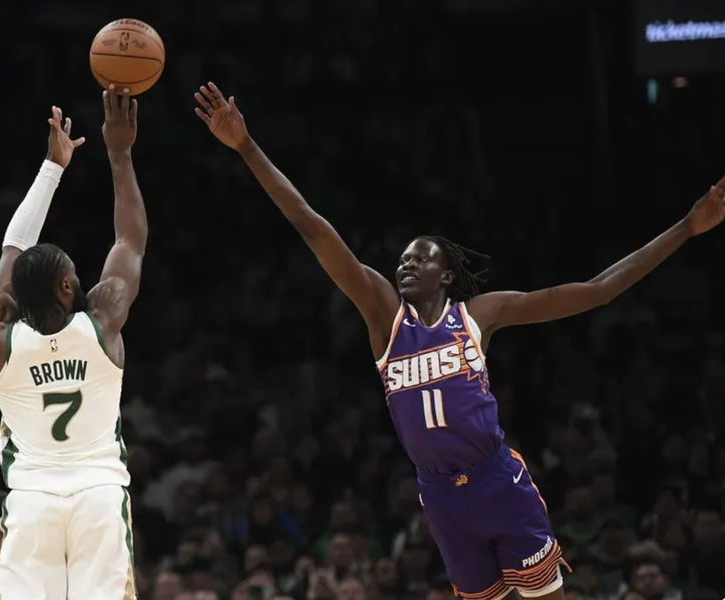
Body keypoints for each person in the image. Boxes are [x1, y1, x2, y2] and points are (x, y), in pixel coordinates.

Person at [192, 81, 725, 600]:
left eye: (419, 257)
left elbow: (598, 290)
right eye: (402, 257)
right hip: (440, 494)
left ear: (445, 275)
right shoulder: (383, 316)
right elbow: (310, 225)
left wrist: (686, 226)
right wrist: (246, 147)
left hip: (496, 479)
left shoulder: (479, 315)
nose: (405, 262)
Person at [0, 86, 148, 599]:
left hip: (30, 499)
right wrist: (120, 153)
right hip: (97, 492)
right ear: (69, 287)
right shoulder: (102, 322)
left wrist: (53, 168)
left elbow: (13, 248)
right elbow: (129, 241)